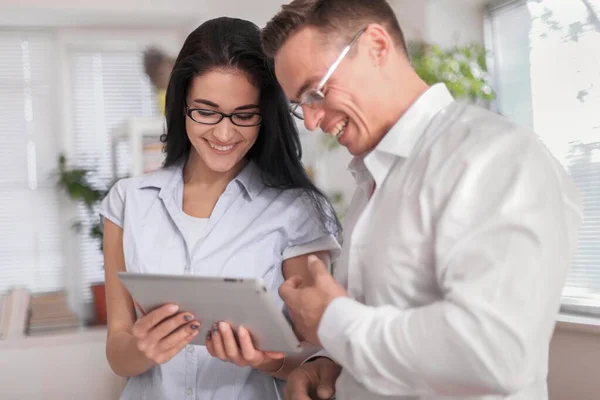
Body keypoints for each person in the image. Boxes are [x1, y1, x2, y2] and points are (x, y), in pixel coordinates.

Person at [261, 1, 583, 399]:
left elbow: (496, 353)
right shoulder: (371, 185)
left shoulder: (497, 157)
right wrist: (328, 366)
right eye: (300, 105)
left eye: (315, 91)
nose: (311, 122)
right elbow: (382, 333)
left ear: (377, 46)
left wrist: (331, 319)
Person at [100, 17, 341, 400]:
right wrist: (141, 348)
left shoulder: (297, 211)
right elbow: (118, 348)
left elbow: (320, 356)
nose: (224, 134)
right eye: (207, 111)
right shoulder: (128, 201)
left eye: (244, 115)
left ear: (266, 115)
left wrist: (266, 360)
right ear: (181, 105)